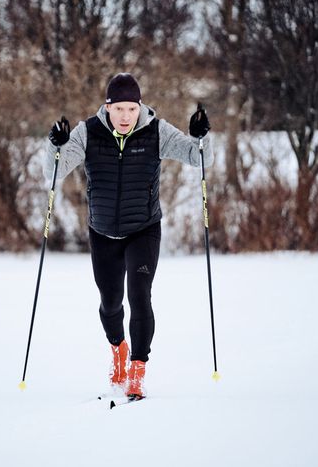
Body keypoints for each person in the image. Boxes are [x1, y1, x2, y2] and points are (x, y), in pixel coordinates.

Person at [45, 73, 213, 400]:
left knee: (139, 295)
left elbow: (198, 157)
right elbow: (53, 170)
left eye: (131, 109)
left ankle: (137, 368)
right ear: (107, 107)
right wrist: (55, 143)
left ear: (140, 108)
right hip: (103, 232)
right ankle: (118, 350)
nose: (125, 116)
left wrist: (202, 138)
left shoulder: (156, 131)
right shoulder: (89, 132)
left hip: (143, 230)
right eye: (118, 109)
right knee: (110, 304)